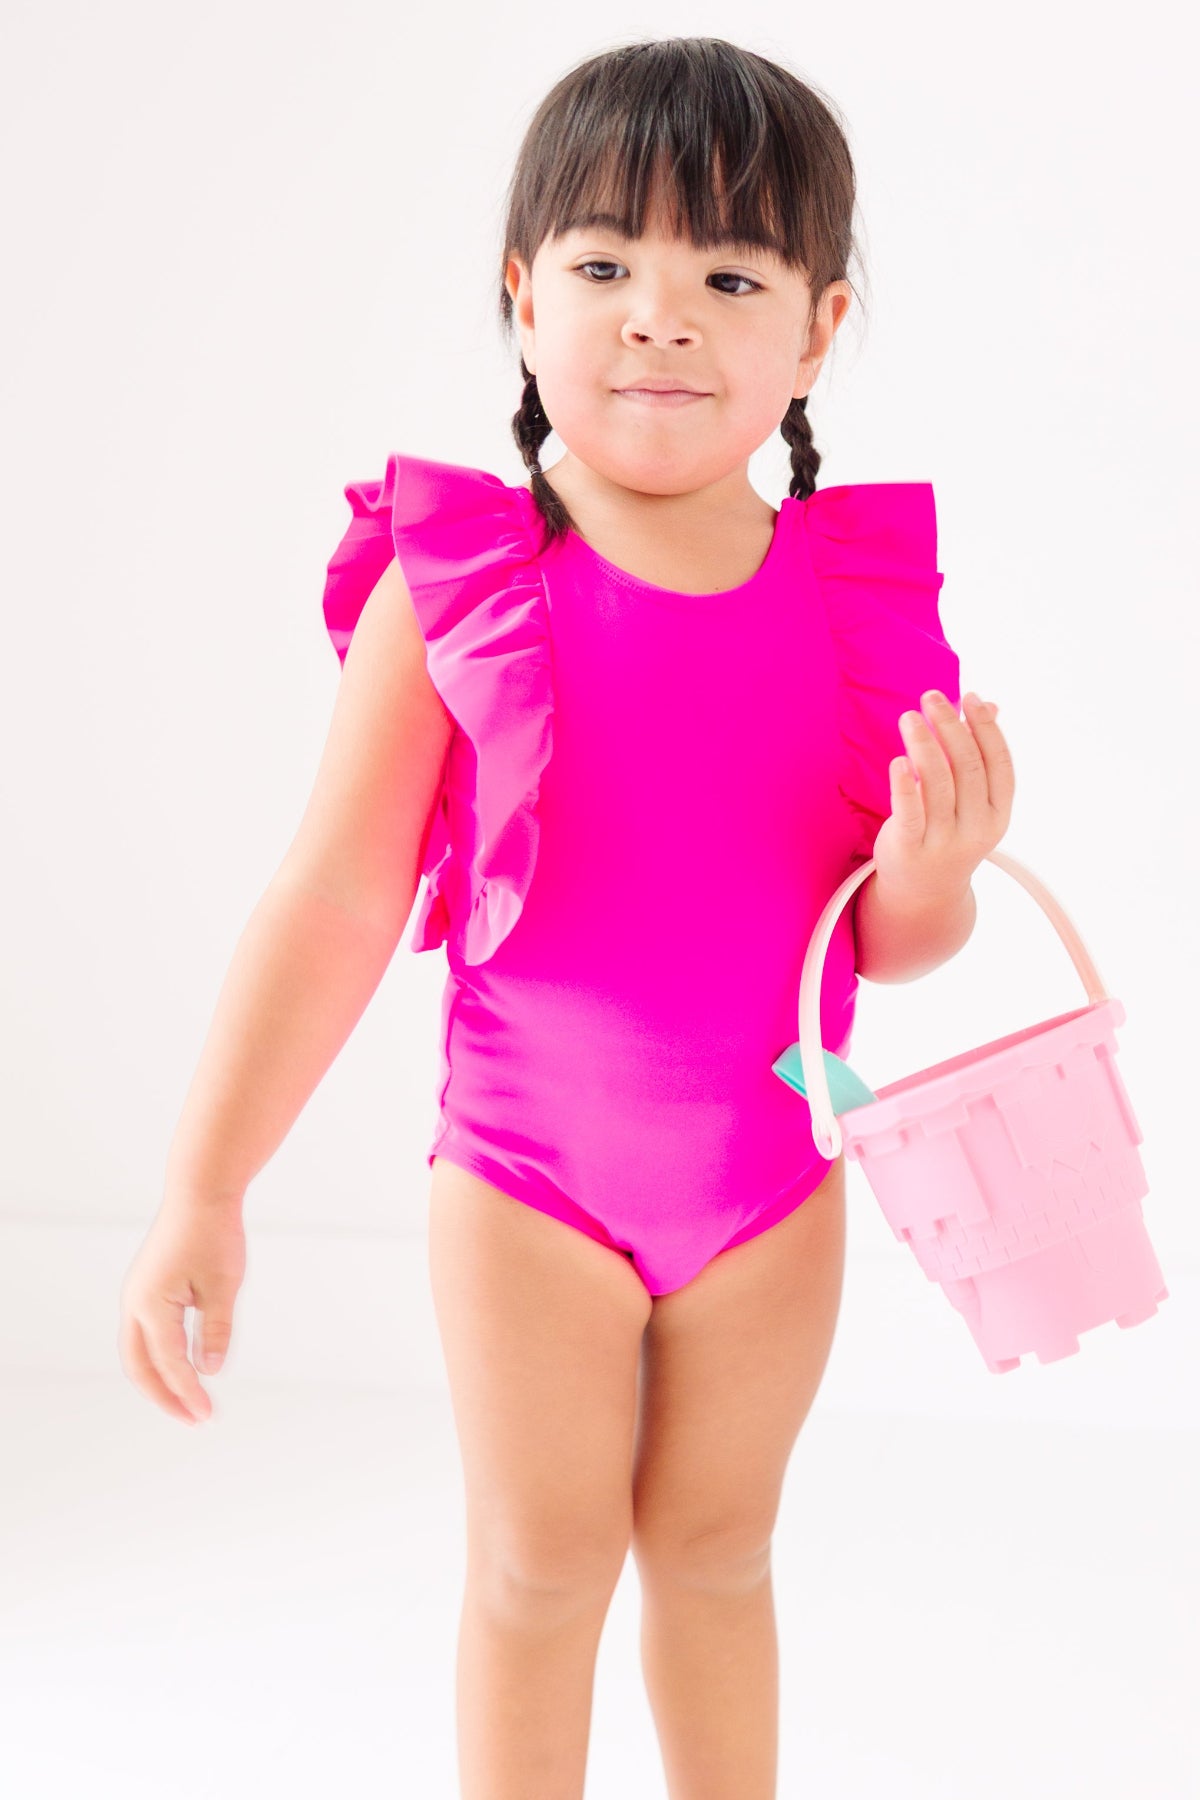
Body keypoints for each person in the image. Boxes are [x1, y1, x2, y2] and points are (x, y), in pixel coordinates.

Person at [116, 36, 1015, 1800]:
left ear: (820, 330)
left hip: (770, 1179)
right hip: (528, 1177)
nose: (659, 316)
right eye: (606, 266)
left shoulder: (856, 605)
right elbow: (334, 897)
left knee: (720, 1558)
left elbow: (880, 944)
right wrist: (205, 1184)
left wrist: (936, 876)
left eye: (726, 275)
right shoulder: (459, 587)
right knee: (537, 1569)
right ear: (524, 299)